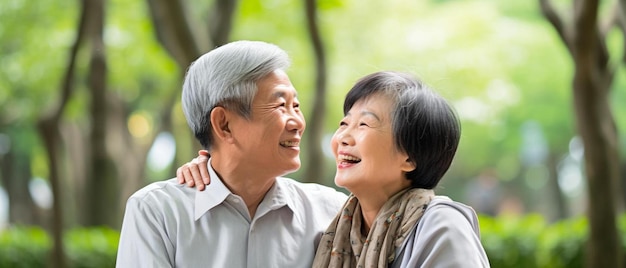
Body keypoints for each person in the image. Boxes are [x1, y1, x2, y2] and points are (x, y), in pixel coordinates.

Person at [180, 71, 490, 267]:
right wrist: (215, 167)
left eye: (365, 124)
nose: (343, 137)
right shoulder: (338, 224)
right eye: (344, 123)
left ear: (409, 157)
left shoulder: (440, 227)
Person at [116, 40, 347, 267]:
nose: (297, 122)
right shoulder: (158, 212)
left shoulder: (331, 211)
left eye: (295, 106)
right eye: (280, 106)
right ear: (224, 124)